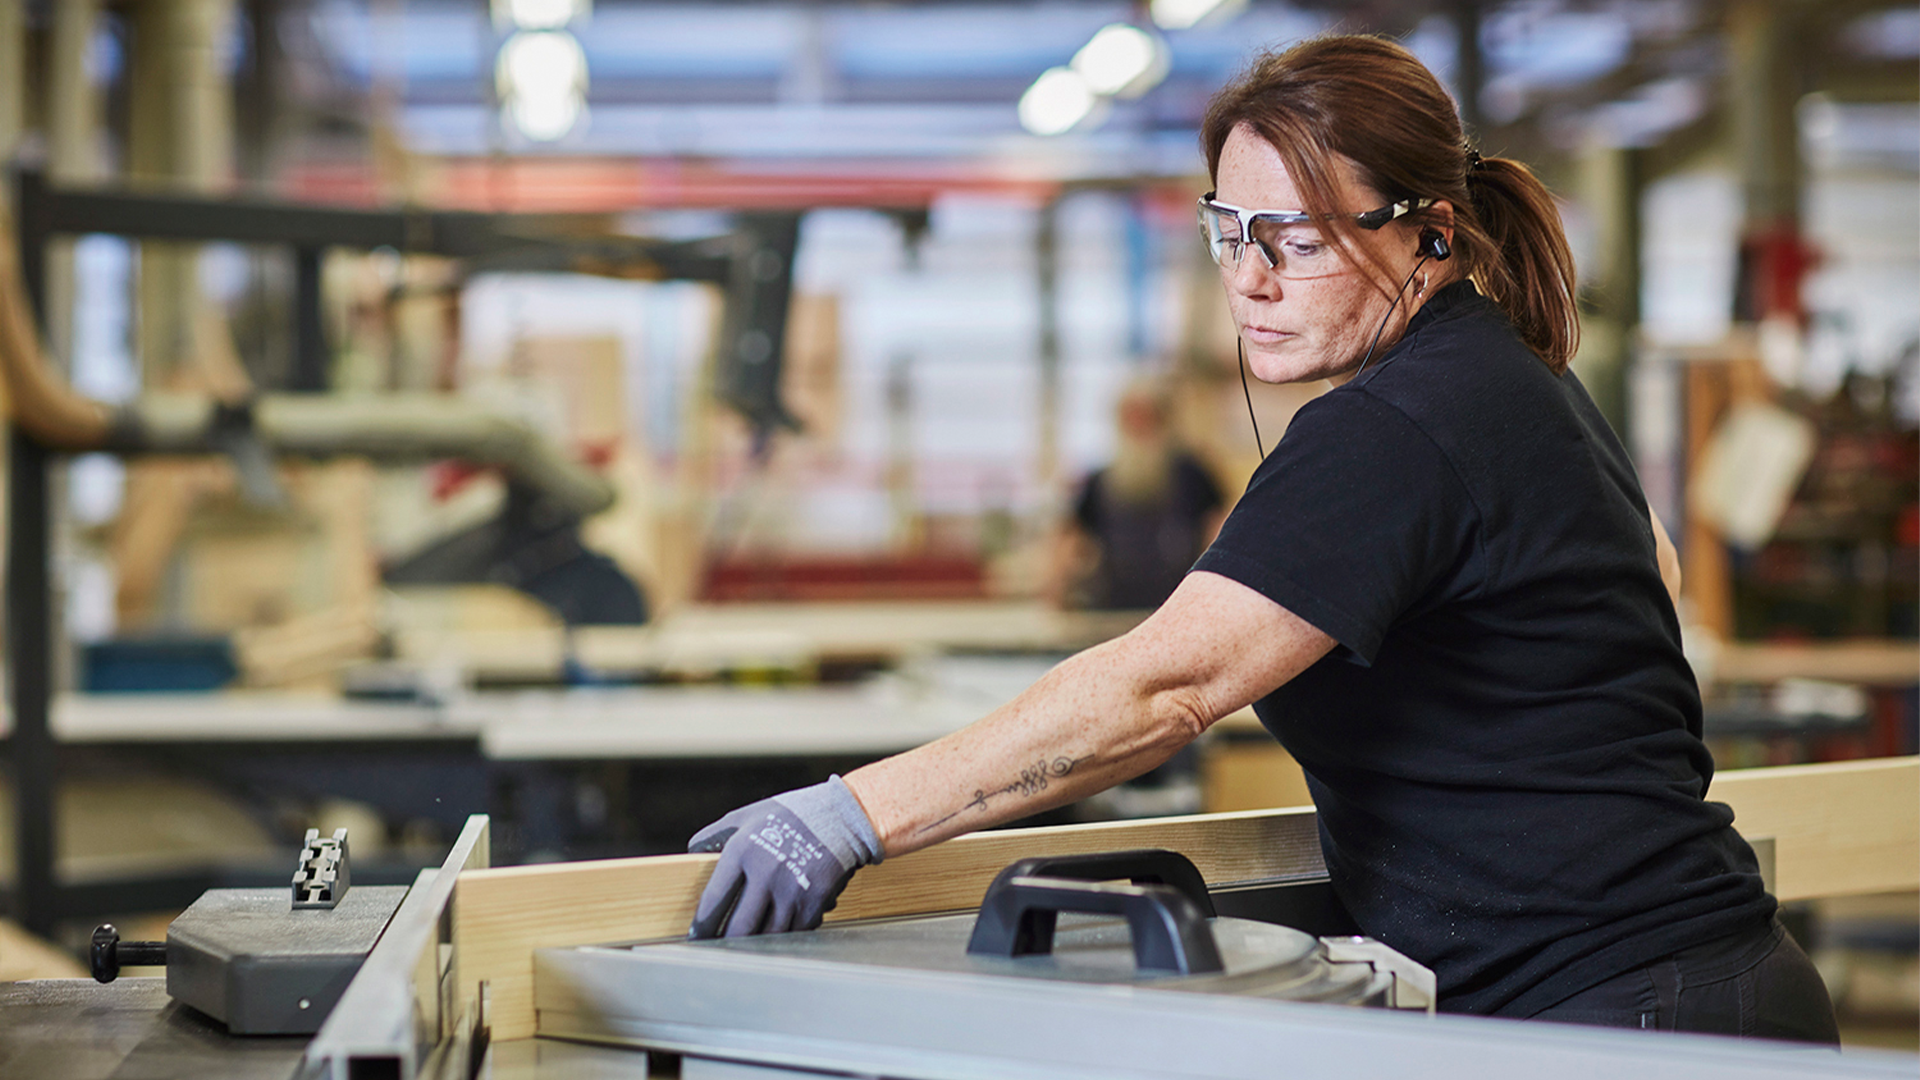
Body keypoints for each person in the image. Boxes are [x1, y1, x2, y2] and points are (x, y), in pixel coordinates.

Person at [685, 35, 1838, 1043]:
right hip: (1669, 993)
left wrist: (854, 814)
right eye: (1229, 231)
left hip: (1631, 1016)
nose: (1249, 280)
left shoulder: (1400, 427)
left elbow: (1168, 690)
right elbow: (1651, 574)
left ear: (1429, 232)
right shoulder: (1508, 381)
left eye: (1294, 238)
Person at [1048, 376, 1226, 612]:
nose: (1139, 426)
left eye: (1147, 416)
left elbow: (1220, 528)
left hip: (1179, 609)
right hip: (1114, 609)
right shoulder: (1100, 482)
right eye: (1131, 417)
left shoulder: (1192, 474)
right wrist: (1056, 586)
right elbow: (1070, 539)